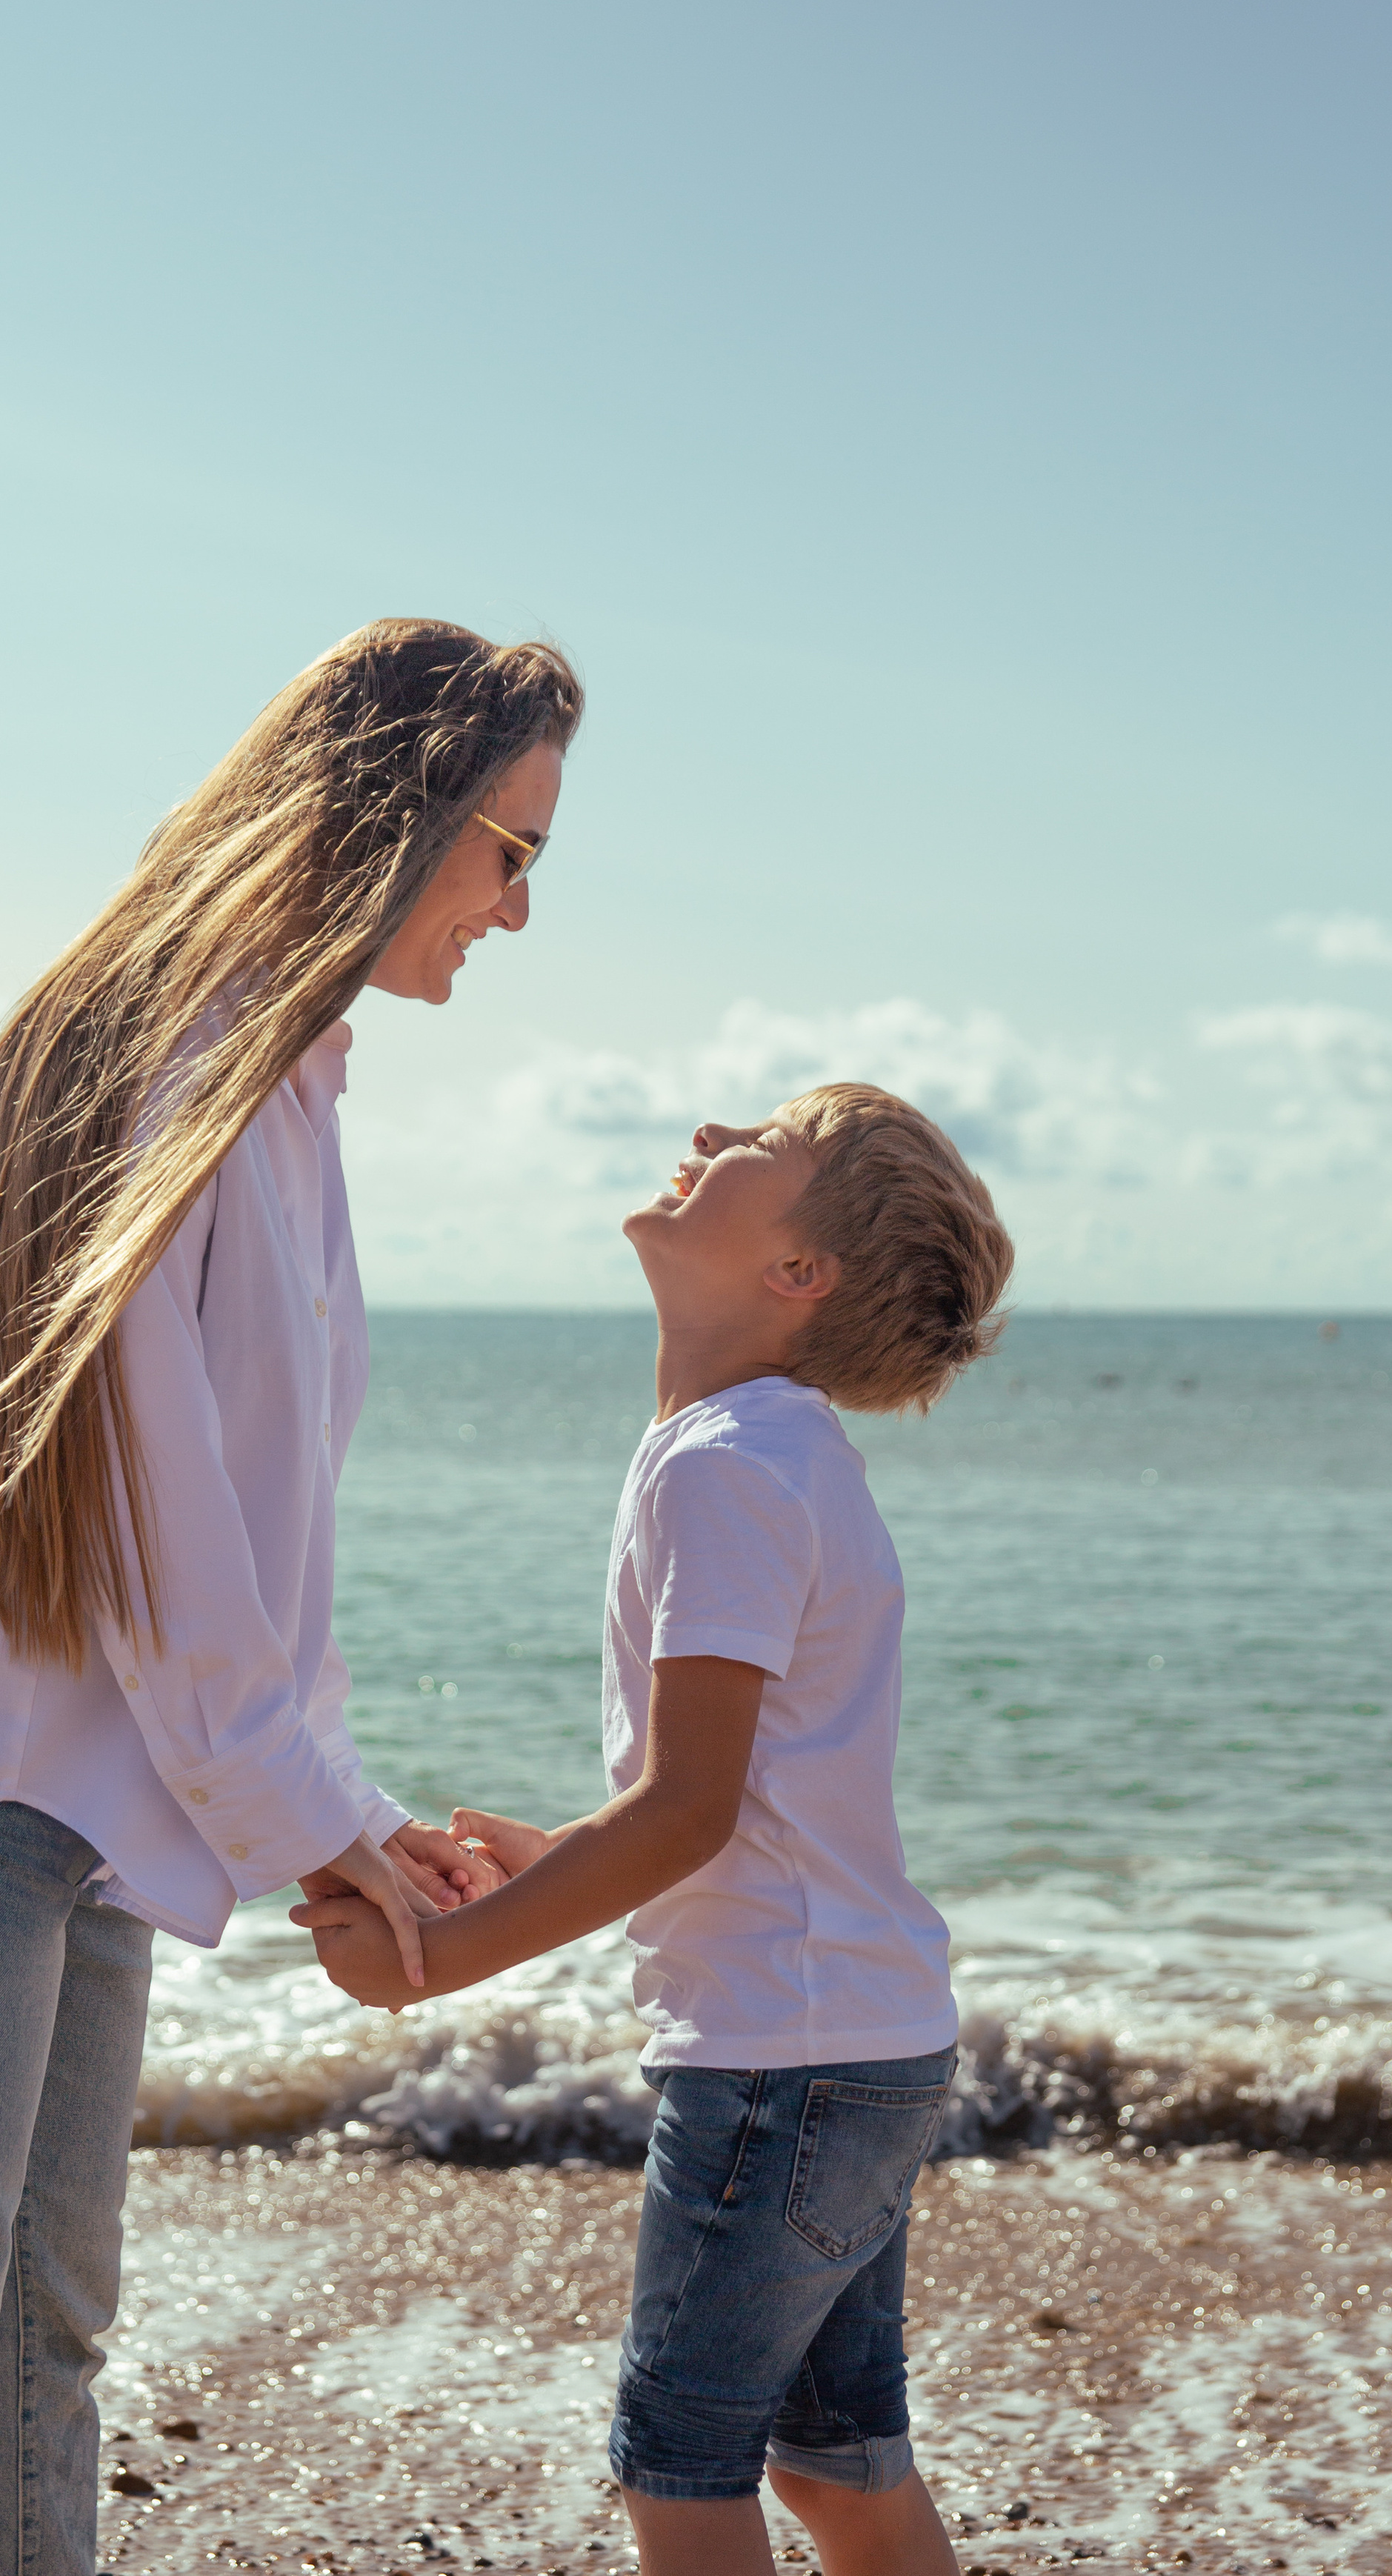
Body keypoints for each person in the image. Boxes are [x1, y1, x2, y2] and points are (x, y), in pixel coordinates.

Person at [0, 619, 582, 2576]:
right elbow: (152, 1524)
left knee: (36, 2349)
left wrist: (348, 1820)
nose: (519, 913)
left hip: (96, 1811)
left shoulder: (289, 1087)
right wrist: (313, 1843)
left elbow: (255, 1557)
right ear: (403, 811)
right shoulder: (153, 1056)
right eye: (512, 853)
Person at [303, 1083, 1015, 2576]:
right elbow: (739, 1800)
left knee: (679, 2472)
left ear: (797, 1272)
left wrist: (436, 1959)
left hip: (783, 2057)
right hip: (856, 2036)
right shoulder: (762, 1448)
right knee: (833, 2467)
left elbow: (687, 1814)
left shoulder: (728, 1465)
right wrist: (561, 1854)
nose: (707, 1133)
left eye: (763, 1143)